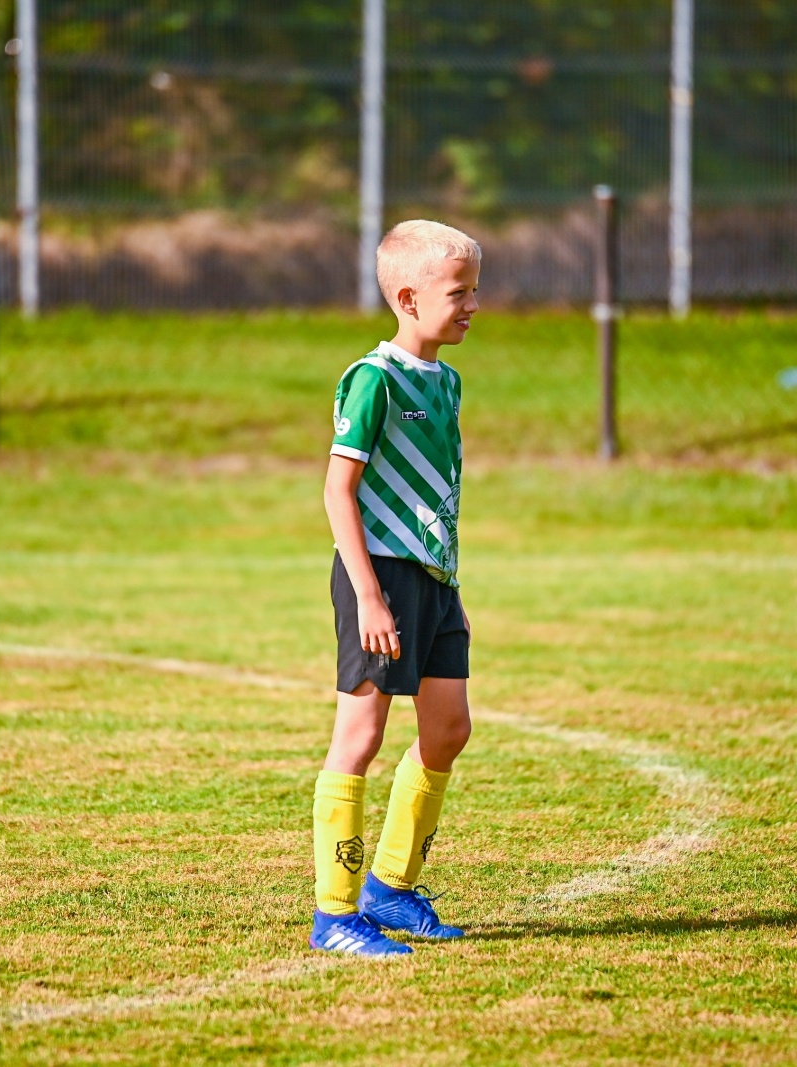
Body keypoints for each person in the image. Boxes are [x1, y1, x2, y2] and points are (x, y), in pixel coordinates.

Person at [310, 219, 480, 957]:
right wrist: (371, 594)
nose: (474, 304)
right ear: (408, 298)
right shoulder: (372, 378)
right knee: (363, 734)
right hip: (378, 574)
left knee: (448, 729)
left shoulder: (446, 379)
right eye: (459, 292)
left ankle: (391, 887)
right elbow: (337, 491)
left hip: (437, 578)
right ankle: (334, 914)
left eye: (476, 289)